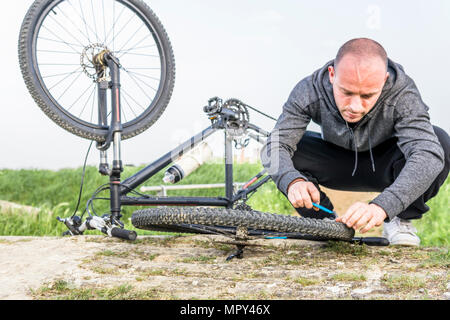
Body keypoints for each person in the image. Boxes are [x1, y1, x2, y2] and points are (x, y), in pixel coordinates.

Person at [260, 38, 449, 246]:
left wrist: (383, 206)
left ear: (384, 81)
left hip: (386, 164)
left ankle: (400, 219)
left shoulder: (403, 93)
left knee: (438, 143)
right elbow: (273, 147)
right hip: (335, 162)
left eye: (367, 95)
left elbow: (427, 154)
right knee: (282, 149)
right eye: (346, 92)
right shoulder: (308, 90)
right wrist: (292, 181)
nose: (355, 106)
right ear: (332, 75)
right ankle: (323, 224)